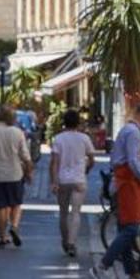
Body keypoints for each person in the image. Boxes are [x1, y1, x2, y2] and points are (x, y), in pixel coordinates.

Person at [96, 99, 140, 279]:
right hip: (127, 185)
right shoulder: (134, 133)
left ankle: (132, 274)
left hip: (123, 183)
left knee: (125, 230)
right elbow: (133, 162)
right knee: (131, 229)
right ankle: (102, 265)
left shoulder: (127, 130)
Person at [0, 105, 33, 247]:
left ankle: (2, 235)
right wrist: (29, 172)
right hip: (15, 173)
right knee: (16, 203)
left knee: (1, 206)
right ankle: (14, 226)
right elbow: (26, 156)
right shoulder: (17, 132)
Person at [48, 109, 96, 257]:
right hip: (79, 179)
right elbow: (92, 158)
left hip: (63, 180)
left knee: (63, 213)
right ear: (78, 123)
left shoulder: (59, 139)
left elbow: (54, 162)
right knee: (76, 213)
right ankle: (72, 242)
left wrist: (54, 180)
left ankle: (65, 240)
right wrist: (87, 169)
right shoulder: (84, 138)